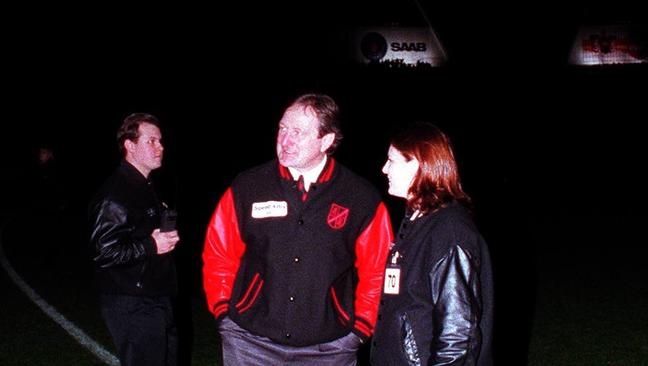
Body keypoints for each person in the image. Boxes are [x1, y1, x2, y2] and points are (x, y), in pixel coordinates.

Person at [202, 93, 393, 365]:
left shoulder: (360, 198)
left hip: (329, 349)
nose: (285, 141)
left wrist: (360, 329)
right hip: (249, 342)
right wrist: (223, 312)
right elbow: (219, 253)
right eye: (282, 129)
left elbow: (378, 271)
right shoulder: (248, 186)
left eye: (298, 133)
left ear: (326, 141)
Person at [370, 122, 494, 365]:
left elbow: (458, 335)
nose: (384, 169)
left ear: (417, 165)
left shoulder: (449, 231)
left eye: (392, 161)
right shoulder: (417, 220)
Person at [89, 113, 180, 366]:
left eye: (160, 141)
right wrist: (151, 245)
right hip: (132, 302)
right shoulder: (116, 193)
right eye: (151, 141)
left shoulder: (145, 185)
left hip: (155, 296)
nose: (160, 147)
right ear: (130, 146)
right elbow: (105, 252)